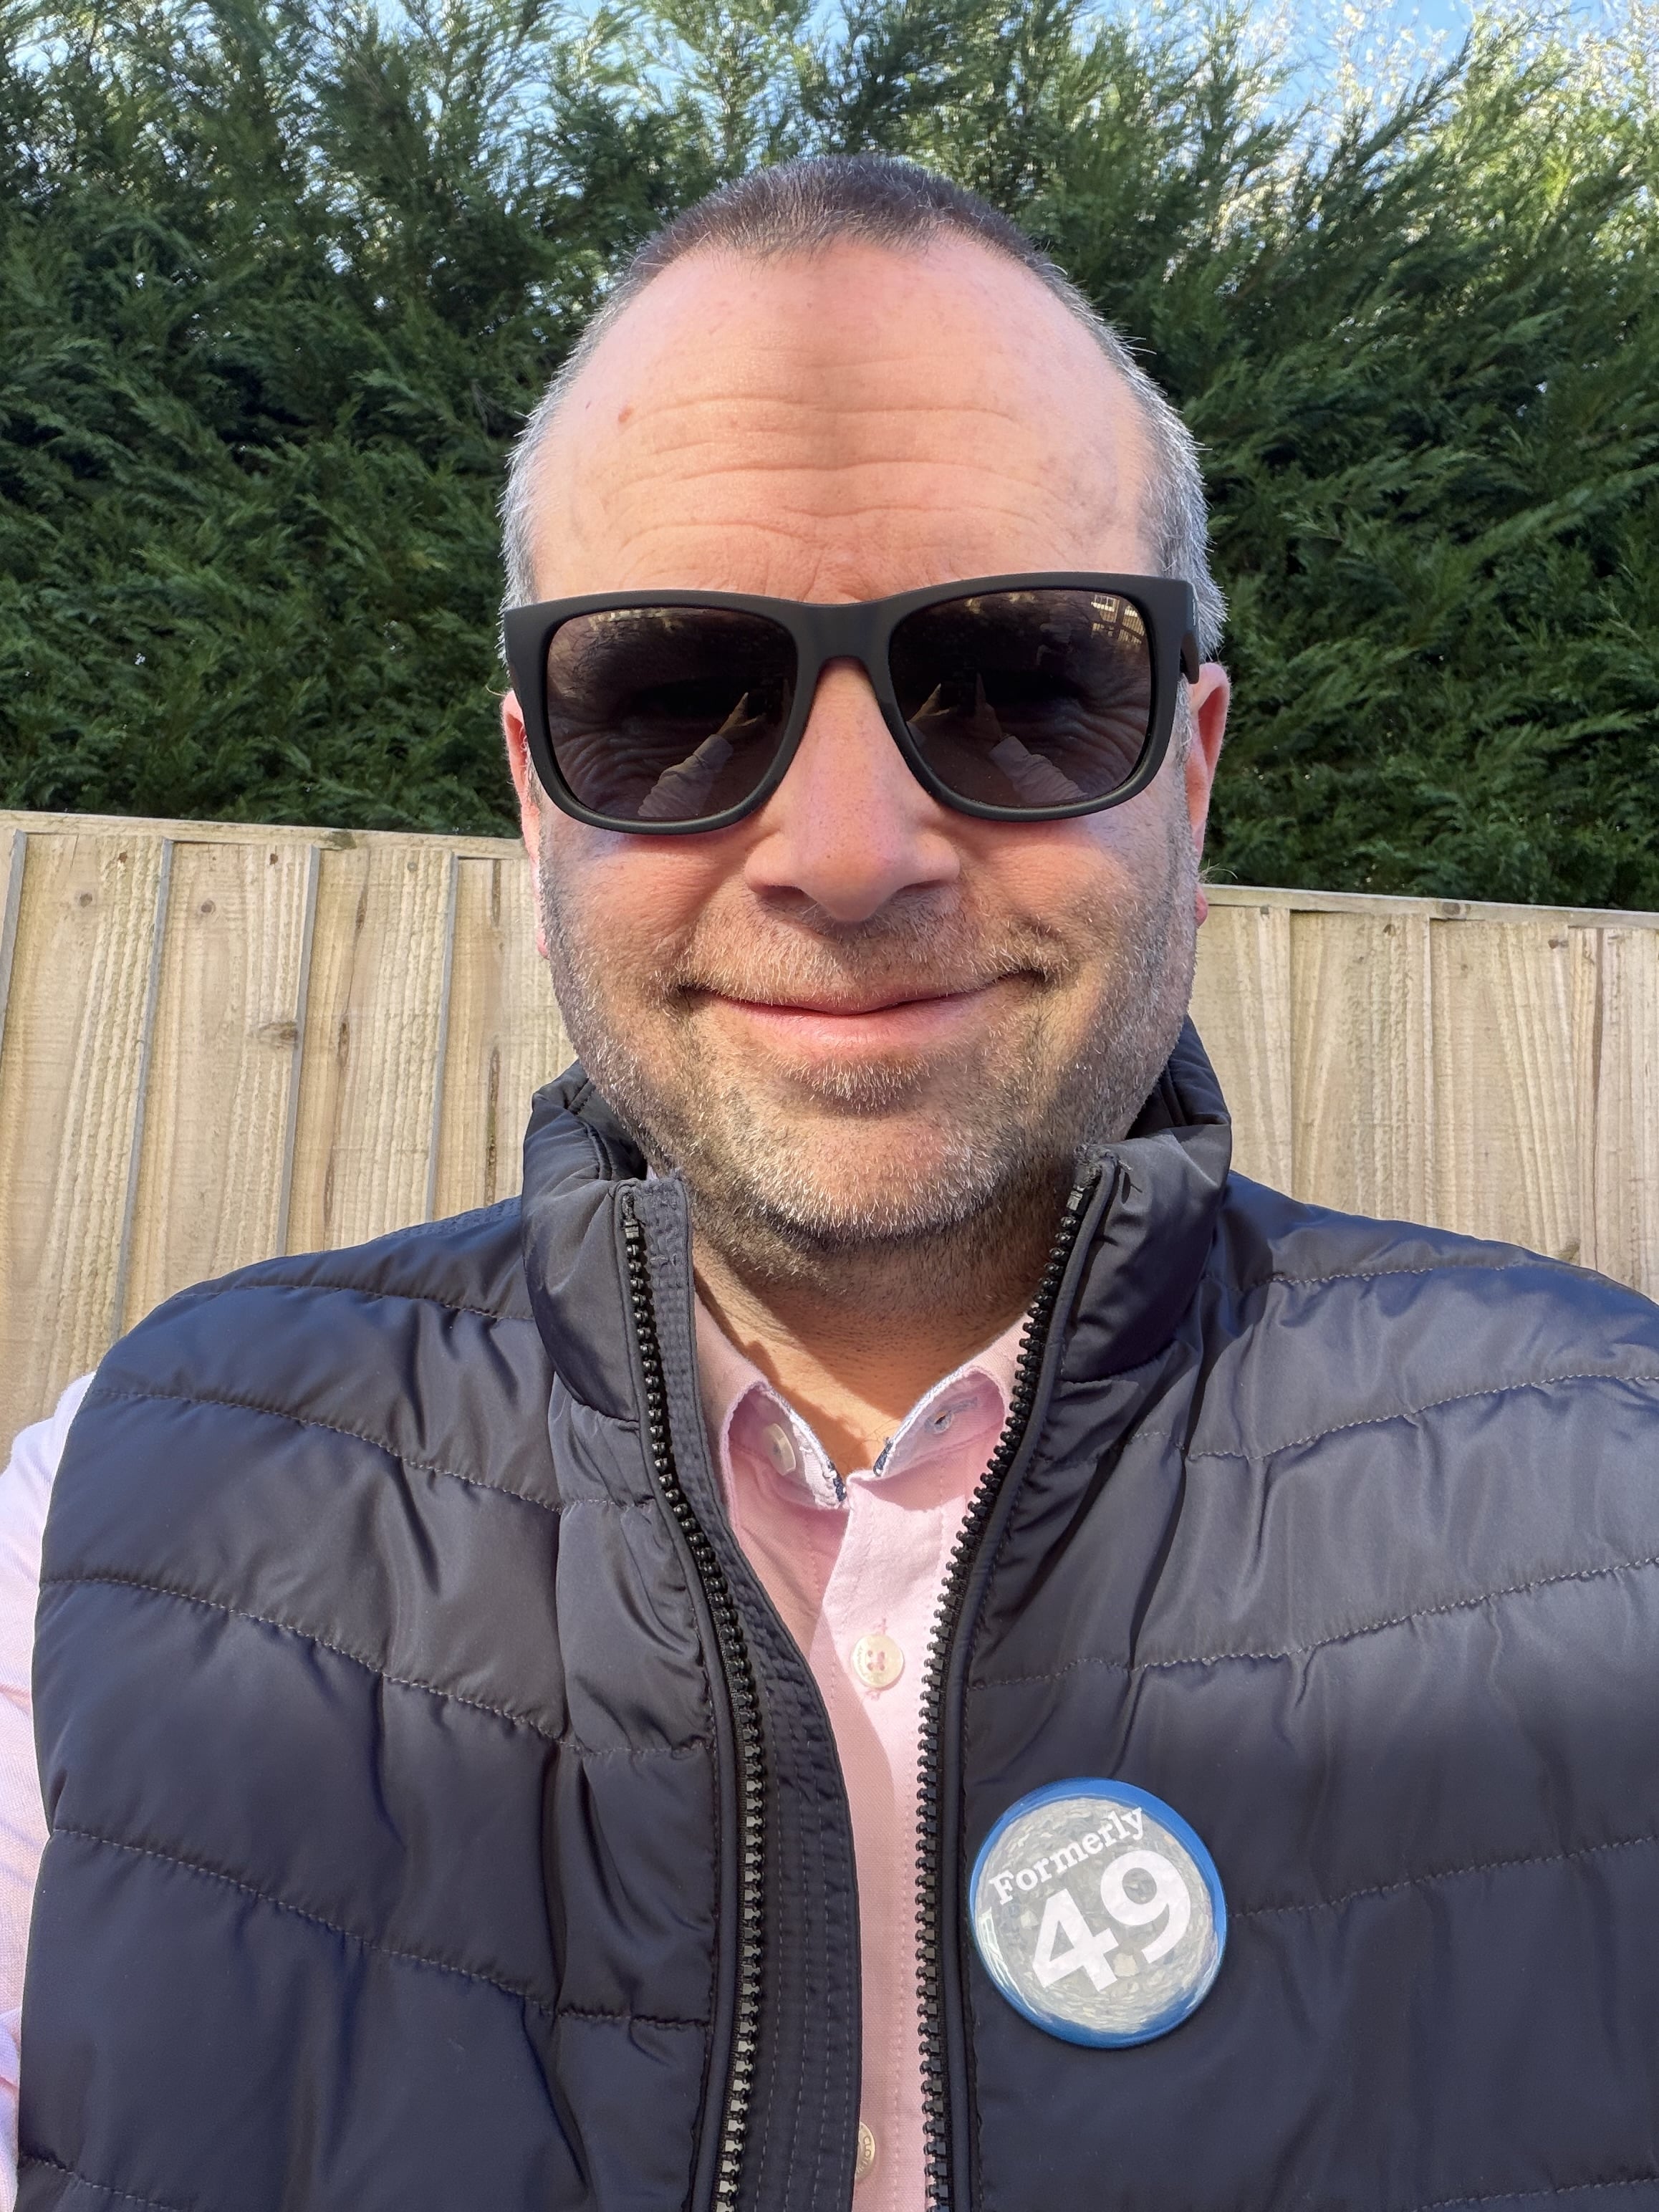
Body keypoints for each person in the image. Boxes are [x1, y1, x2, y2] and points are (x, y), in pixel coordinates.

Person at [4, 153, 1658, 2212]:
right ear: (535, 791)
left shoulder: (1618, 1510)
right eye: (674, 699)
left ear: (1193, 764)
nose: (849, 852)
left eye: (1026, 683)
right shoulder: (115, 1523)